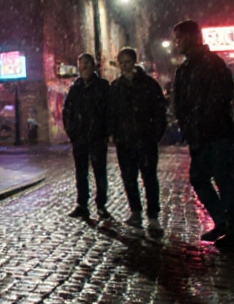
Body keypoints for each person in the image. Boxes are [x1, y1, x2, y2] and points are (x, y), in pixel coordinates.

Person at [172, 20, 234, 251]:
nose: (176, 43)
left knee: (224, 180)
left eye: (179, 38)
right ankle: (223, 221)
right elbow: (180, 102)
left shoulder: (212, 64)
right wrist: (188, 126)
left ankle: (232, 230)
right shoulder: (185, 68)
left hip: (218, 134)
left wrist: (201, 121)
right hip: (199, 136)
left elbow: (220, 97)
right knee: (199, 178)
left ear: (192, 38)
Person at [108, 47, 168, 235]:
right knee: (129, 177)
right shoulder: (116, 87)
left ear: (134, 62)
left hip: (145, 139)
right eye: (122, 62)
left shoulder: (149, 85)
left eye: (127, 62)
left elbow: (159, 111)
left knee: (149, 177)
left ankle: (153, 216)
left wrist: (154, 134)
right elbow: (111, 113)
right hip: (125, 141)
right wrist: (115, 133)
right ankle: (135, 212)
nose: (125, 66)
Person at [62, 53, 112, 220]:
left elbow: (109, 111)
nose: (84, 68)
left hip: (97, 137)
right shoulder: (75, 88)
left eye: (87, 64)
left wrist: (105, 132)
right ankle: (82, 204)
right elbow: (67, 111)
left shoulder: (102, 86)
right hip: (80, 138)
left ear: (93, 66)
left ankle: (101, 205)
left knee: (99, 172)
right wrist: (73, 132)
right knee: (81, 172)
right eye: (81, 64)